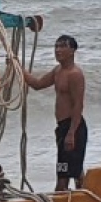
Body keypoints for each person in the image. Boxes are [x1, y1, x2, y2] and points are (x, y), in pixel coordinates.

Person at [23, 34, 88, 191]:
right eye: (56, 46)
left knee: (64, 178)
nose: (57, 50)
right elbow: (37, 84)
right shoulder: (58, 71)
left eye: (62, 46)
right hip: (62, 127)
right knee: (74, 170)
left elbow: (78, 105)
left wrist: (71, 133)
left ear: (72, 50)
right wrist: (18, 68)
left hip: (73, 127)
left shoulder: (75, 74)